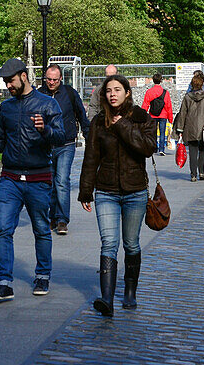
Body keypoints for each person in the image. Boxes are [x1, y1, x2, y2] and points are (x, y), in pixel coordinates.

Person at [0, 58, 65, 301]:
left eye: (11, 80)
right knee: (3, 229)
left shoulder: (47, 104)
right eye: (6, 82)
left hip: (38, 178)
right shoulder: (6, 108)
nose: (8, 85)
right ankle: (4, 282)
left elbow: (61, 137)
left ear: (24, 76)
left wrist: (44, 130)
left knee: (41, 229)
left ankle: (43, 275)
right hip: (10, 178)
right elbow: (0, 142)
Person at [78, 73, 157, 317]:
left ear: (127, 93)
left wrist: (122, 124)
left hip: (135, 191)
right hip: (106, 191)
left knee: (131, 243)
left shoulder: (142, 117)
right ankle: (107, 299)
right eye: (108, 91)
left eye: (117, 90)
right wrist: (85, 191)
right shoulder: (99, 122)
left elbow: (147, 148)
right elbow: (91, 157)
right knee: (109, 243)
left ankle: (130, 292)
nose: (112, 94)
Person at [38, 64, 90, 236]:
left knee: (62, 181)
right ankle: (52, 215)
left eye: (55, 79)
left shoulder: (69, 93)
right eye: (49, 79)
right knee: (49, 181)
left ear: (61, 78)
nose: (51, 82)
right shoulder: (39, 93)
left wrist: (88, 136)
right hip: (45, 144)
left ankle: (62, 219)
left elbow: (81, 114)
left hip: (66, 143)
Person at [173, 72, 204, 181]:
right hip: (203, 127)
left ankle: (193, 174)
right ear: (202, 84)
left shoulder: (187, 97)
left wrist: (180, 129)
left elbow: (182, 114)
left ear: (192, 84)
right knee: (203, 151)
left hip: (190, 127)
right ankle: (201, 172)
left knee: (192, 152)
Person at [141, 73, 173, 156]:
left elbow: (145, 104)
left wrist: (142, 116)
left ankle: (154, 148)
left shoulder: (149, 92)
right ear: (161, 81)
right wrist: (170, 118)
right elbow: (168, 106)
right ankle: (161, 149)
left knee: (153, 132)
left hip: (153, 115)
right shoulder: (165, 92)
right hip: (163, 115)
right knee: (162, 132)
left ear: (153, 80)